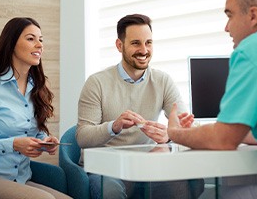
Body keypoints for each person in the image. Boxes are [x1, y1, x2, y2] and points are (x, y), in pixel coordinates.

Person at [76, 14, 204, 199]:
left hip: (147, 166)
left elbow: (186, 125)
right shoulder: (97, 83)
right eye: (136, 43)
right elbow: (82, 137)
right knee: (111, 191)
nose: (144, 50)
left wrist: (169, 135)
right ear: (120, 46)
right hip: (108, 168)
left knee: (189, 180)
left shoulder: (162, 81)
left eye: (148, 43)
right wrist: (115, 126)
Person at [165, 0, 257, 198]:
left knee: (223, 194)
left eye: (230, 15)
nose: (226, 27)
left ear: (253, 16)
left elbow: (223, 140)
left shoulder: (252, 50)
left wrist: (174, 132)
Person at [0, 17, 71, 199]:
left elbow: (30, 133)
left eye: (41, 39)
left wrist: (44, 142)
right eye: (31, 39)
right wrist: (13, 144)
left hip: (20, 179)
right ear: (11, 43)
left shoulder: (36, 89)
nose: (39, 45)